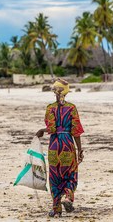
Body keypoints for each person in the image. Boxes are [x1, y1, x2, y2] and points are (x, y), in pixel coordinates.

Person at [36, 79, 84, 217]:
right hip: (67, 143)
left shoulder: (50, 108)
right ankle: (68, 197)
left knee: (55, 175)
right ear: (66, 93)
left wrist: (41, 130)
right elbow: (76, 131)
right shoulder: (72, 108)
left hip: (54, 145)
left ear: (54, 92)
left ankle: (56, 208)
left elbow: (51, 128)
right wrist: (79, 149)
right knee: (70, 173)